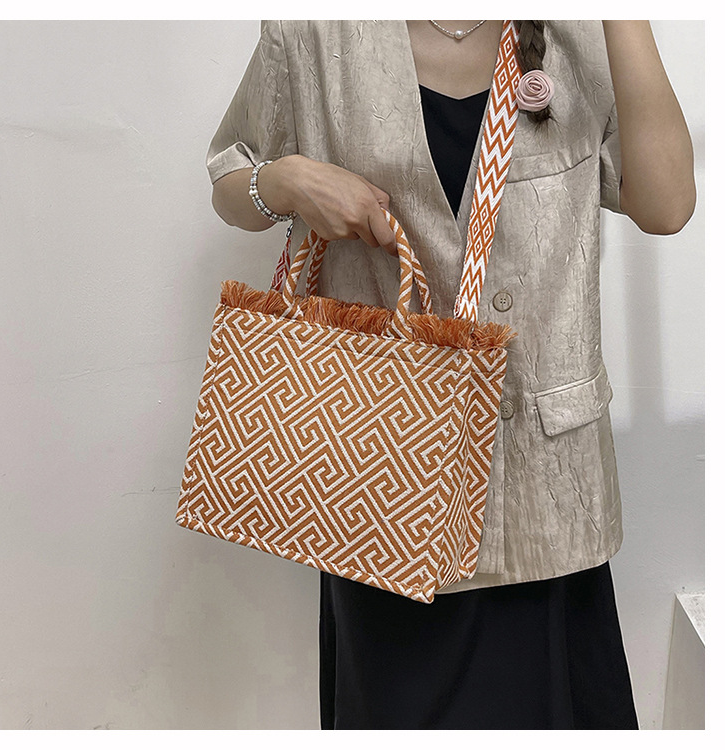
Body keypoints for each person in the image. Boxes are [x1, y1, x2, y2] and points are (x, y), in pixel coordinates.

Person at [204, 20, 696, 730]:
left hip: (545, 494)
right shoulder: (314, 32)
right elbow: (230, 179)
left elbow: (667, 205)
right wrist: (286, 181)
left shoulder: (583, 37)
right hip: (381, 485)